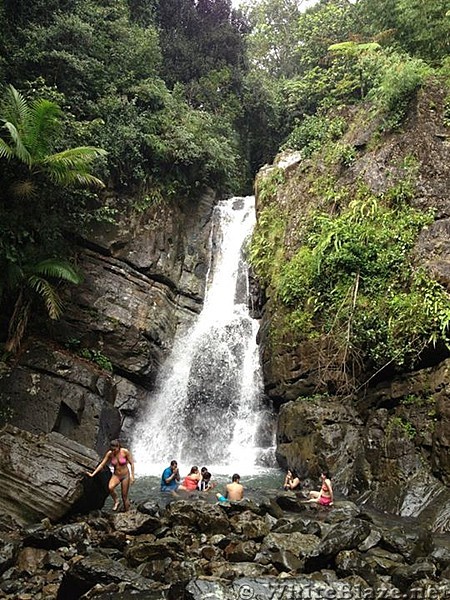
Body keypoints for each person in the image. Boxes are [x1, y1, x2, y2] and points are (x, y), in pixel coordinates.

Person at [87, 439, 134, 511]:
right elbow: (102, 464)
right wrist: (93, 474)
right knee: (110, 487)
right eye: (112, 450)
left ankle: (127, 512)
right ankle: (116, 500)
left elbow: (132, 463)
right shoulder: (110, 453)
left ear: (118, 446)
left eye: (115, 449)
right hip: (116, 475)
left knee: (124, 496)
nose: (114, 451)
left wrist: (132, 476)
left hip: (125, 476)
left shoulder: (125, 452)